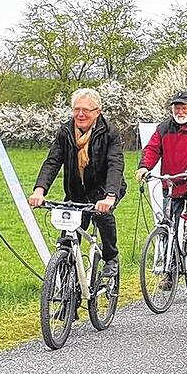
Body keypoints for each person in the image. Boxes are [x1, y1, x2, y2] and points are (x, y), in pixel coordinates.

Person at [29, 88, 126, 279]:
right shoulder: (66, 131)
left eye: (86, 110)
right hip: (76, 191)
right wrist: (39, 191)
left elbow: (115, 164)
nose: (80, 114)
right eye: (76, 109)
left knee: (102, 216)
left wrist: (110, 196)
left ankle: (110, 258)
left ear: (98, 111)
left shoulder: (109, 132)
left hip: (103, 189)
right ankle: (66, 287)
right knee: (67, 236)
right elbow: (53, 161)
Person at [135, 91, 187, 268]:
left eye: (184, 107)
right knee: (168, 223)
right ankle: (171, 267)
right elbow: (152, 148)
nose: (180, 111)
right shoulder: (164, 128)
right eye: (176, 108)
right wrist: (144, 167)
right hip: (172, 182)